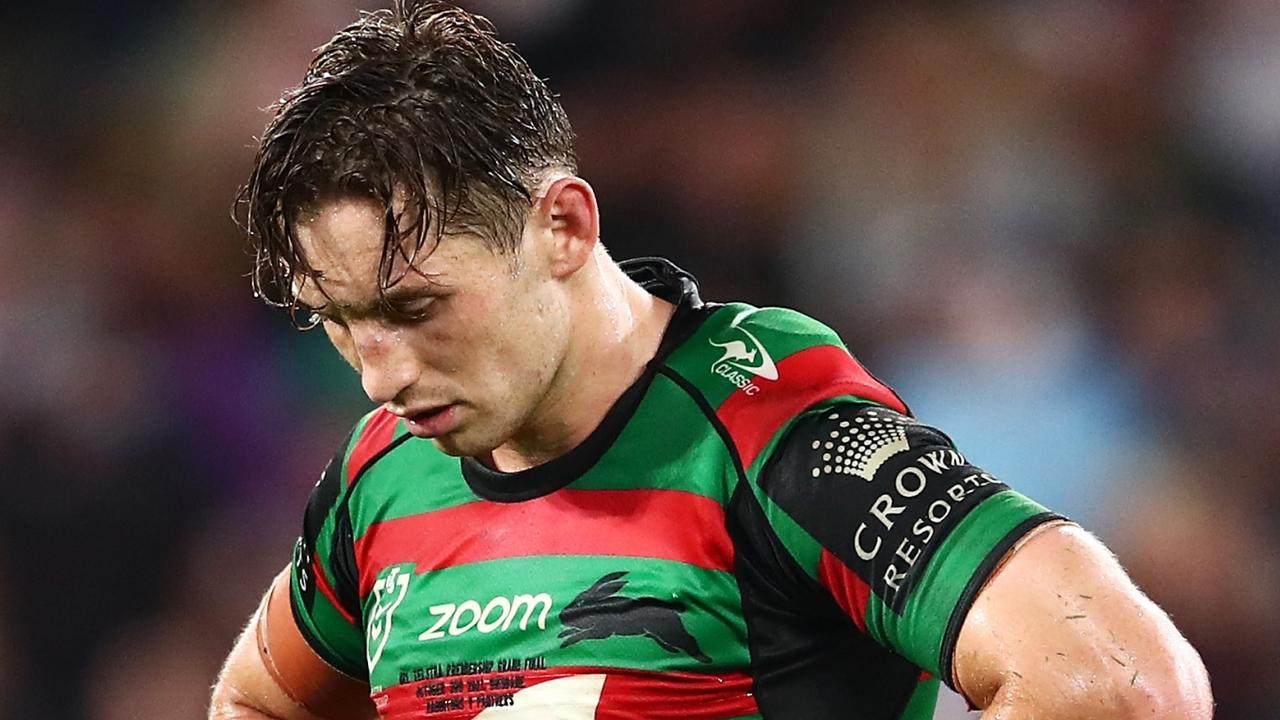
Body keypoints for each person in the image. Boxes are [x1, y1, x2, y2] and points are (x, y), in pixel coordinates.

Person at [209, 3, 1212, 718]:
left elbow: (1121, 686)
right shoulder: (381, 477)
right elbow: (257, 702)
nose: (379, 377)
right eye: (338, 323)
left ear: (559, 226)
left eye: (416, 307)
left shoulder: (780, 439)